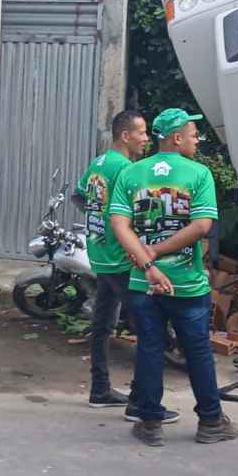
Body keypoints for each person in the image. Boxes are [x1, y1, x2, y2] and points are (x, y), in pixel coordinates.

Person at [109, 108, 238, 447]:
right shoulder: (198, 174)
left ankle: (150, 423)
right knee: (197, 350)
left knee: (151, 349)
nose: (197, 141)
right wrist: (157, 253)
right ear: (177, 138)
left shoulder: (132, 173)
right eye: (194, 135)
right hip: (187, 282)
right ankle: (211, 421)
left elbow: (120, 226)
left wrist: (147, 260)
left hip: (142, 282)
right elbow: (201, 227)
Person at [75, 110, 177, 420]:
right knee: (148, 327)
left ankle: (100, 389)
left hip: (100, 255)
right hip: (121, 259)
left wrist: (101, 224)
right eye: (143, 133)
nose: (147, 139)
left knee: (103, 325)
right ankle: (139, 403)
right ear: (125, 136)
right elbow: (137, 213)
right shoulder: (125, 169)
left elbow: (79, 197)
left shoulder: (99, 163)